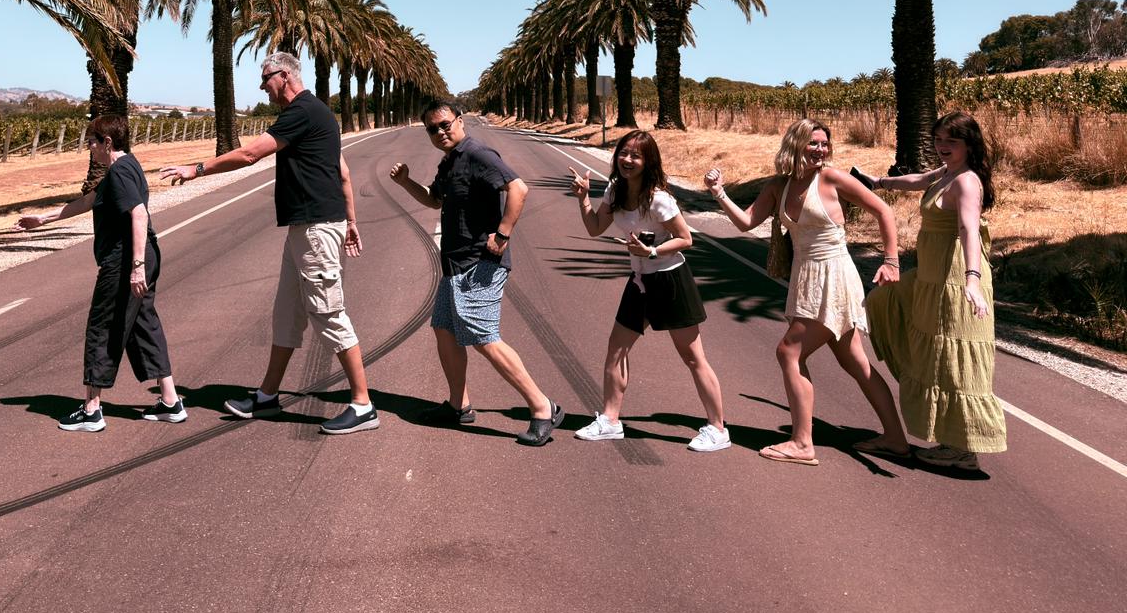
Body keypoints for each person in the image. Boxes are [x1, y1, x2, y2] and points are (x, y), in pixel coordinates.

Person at [161, 51, 376, 435]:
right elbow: (341, 172)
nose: (262, 87)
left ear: (285, 76)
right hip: (308, 229)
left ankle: (362, 405)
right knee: (286, 316)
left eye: (265, 79)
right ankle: (267, 396)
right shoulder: (321, 115)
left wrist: (195, 170)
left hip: (314, 228)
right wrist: (351, 221)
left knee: (328, 313)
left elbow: (249, 154)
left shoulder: (302, 112)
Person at [706, 118, 909, 466]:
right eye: (813, 143)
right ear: (795, 145)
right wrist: (719, 193)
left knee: (789, 352)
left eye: (824, 144)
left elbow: (883, 210)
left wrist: (891, 261)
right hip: (806, 277)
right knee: (855, 362)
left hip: (834, 275)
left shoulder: (831, 178)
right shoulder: (778, 186)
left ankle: (802, 443)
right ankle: (895, 439)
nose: (820, 150)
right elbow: (746, 222)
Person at [389, 101, 563, 446]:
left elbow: (518, 188)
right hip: (455, 264)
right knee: (444, 329)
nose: (440, 132)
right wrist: (406, 182)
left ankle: (544, 407)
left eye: (444, 124)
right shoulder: (450, 161)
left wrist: (503, 233)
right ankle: (458, 405)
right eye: (432, 129)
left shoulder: (477, 153)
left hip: (478, 264)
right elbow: (435, 200)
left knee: (483, 337)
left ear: (460, 120)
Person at [858, 111, 1006, 471]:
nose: (942, 147)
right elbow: (917, 180)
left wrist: (971, 278)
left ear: (969, 145)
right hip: (931, 275)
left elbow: (969, 229)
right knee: (887, 302)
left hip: (954, 278)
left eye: (950, 142)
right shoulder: (946, 173)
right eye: (938, 139)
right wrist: (877, 182)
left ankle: (962, 449)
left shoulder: (967, 182)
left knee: (953, 355)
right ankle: (951, 440)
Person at [18, 114, 183, 430]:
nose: (89, 148)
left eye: (92, 142)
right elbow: (90, 201)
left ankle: (91, 408)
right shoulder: (126, 165)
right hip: (144, 255)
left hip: (124, 262)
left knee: (103, 326)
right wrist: (45, 218)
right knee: (143, 326)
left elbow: (138, 214)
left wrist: (135, 267)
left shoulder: (119, 172)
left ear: (107, 142)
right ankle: (171, 401)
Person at [569, 130, 730, 453]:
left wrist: (652, 253)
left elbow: (686, 239)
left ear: (648, 162)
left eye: (636, 156)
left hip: (670, 281)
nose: (627, 160)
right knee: (616, 348)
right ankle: (611, 421)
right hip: (640, 281)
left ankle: (718, 429)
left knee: (693, 357)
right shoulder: (614, 190)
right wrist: (583, 198)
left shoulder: (659, 199)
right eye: (623, 153)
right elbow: (594, 228)